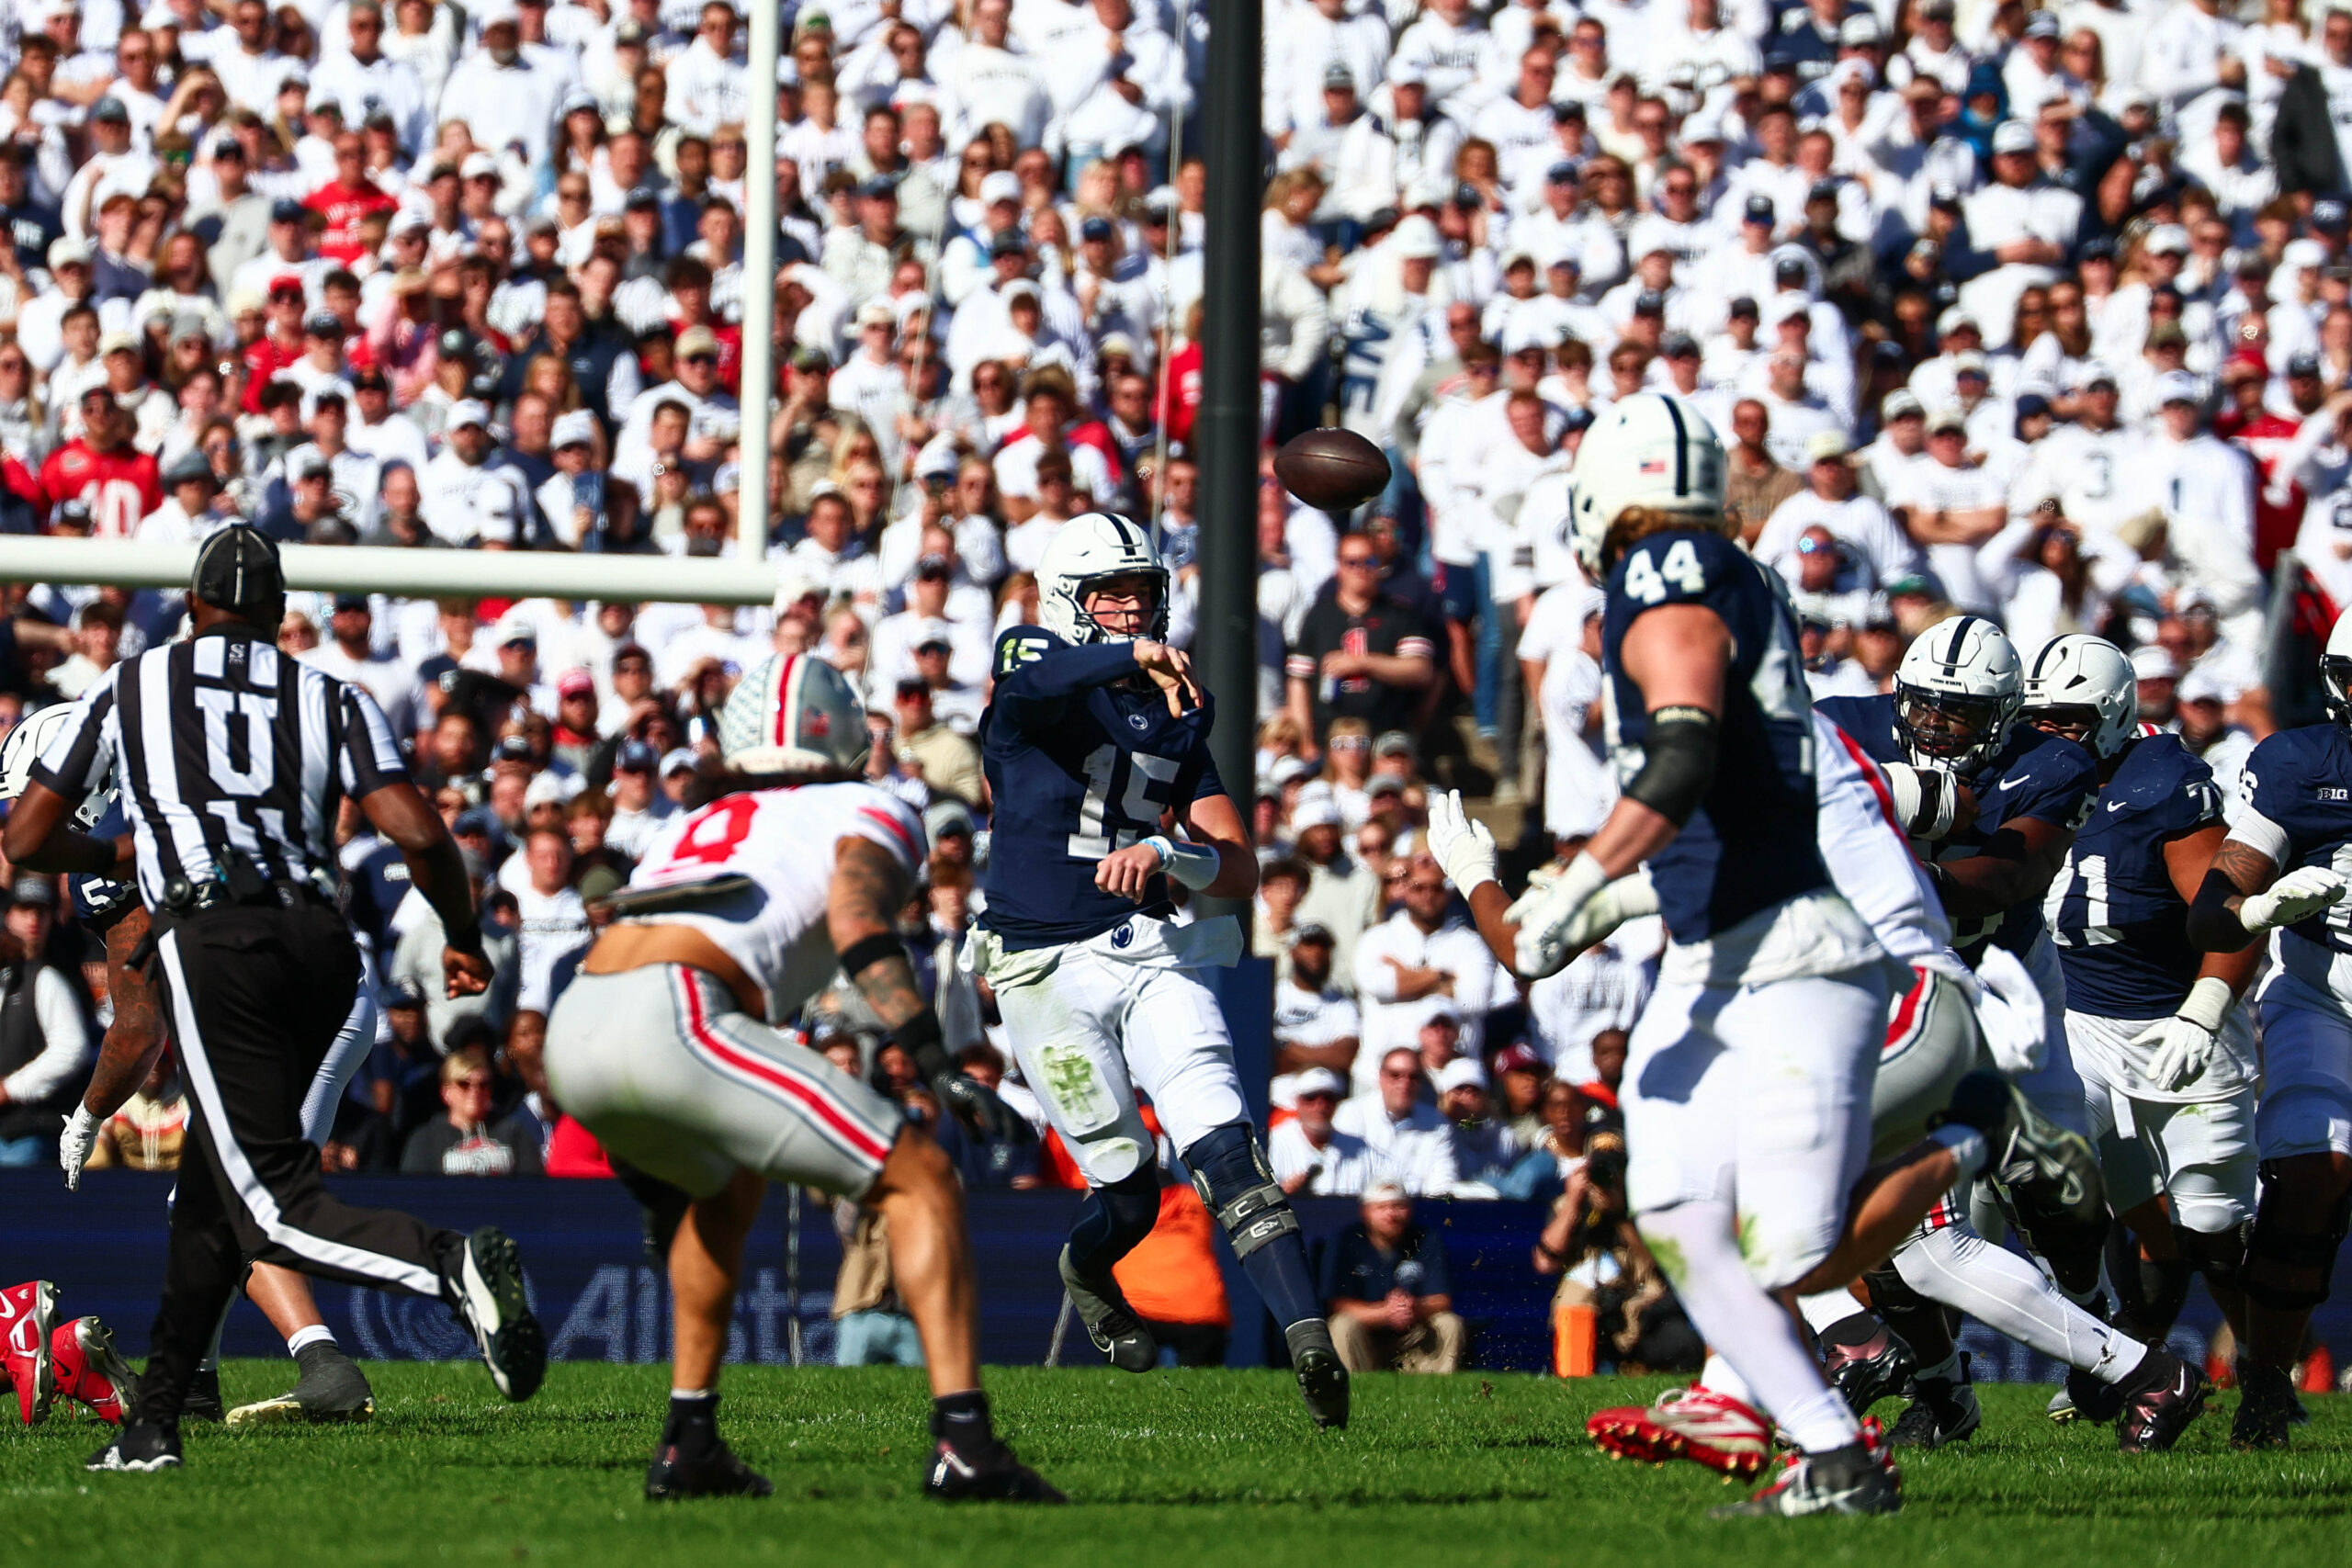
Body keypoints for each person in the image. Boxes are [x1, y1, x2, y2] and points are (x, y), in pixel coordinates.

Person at [6, 527, 540, 1473]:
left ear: (190, 604)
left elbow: (30, 835)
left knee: (269, 1208)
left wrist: (110, 857)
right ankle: (155, 1426)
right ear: (278, 607)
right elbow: (419, 832)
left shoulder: (134, 686)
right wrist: (460, 937)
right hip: (323, 945)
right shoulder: (329, 691)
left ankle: (447, 1266)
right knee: (205, 1204)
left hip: (220, 947)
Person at [542, 653, 1059, 1502]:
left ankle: (690, 1441)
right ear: (847, 735)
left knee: (727, 1189)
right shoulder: (872, 802)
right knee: (922, 1177)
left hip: (582, 1019)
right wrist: (933, 1059)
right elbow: (858, 921)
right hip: (682, 1014)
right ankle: (967, 1442)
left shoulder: (691, 819)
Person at [967, 512, 1348, 1429]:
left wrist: (1170, 858)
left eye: (1145, 593)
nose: (1136, 611)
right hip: (1038, 966)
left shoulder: (1179, 710)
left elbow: (1239, 866)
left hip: (1144, 948)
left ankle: (1311, 1344)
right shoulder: (1033, 664)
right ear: (1070, 602)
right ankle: (1089, 1268)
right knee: (1129, 1185)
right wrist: (1125, 658)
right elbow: (1044, 672)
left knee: (1224, 1138)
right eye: (1113, 595)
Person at [2019, 637, 2261, 1422]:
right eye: (2040, 718)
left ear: (2116, 715)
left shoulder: (2162, 783)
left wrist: (2207, 1008)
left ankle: (2266, 1374)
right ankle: (2119, 1357)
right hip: (2083, 1026)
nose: (2052, 734)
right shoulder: (2018, 773)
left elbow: (2228, 917)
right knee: (2044, 1172)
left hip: (2181, 1029)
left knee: (2214, 1228)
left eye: (2069, 720)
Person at [2182, 611, 2352, 1450]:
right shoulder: (2300, 764)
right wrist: (2256, 906)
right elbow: (2213, 912)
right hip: (2324, 993)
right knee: (2308, 1177)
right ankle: (2264, 1387)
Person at [1320, 1181, 1467, 1373]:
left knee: (1449, 1323)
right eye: (1382, 1208)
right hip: (1366, 1337)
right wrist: (1385, 1313)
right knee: (1341, 1325)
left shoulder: (1426, 1239)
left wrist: (1414, 1307)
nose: (1391, 1214)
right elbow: (1336, 1304)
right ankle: (1352, 1388)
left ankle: (1440, 1389)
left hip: (1413, 1337)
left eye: (1398, 1207)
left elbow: (1442, 1299)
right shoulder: (1346, 1242)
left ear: (1410, 1209)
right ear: (1366, 1211)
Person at [398, 1046, 545, 1177]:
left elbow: (532, 1187)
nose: (475, 1091)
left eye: (483, 1084)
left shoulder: (514, 1132)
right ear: (446, 1092)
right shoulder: (425, 1139)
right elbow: (416, 1194)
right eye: (464, 1084)